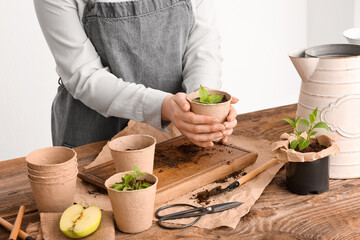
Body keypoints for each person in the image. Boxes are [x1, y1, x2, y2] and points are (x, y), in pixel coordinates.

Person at [34, 0, 238, 148]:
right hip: (95, 140)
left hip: (176, 137)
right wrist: (165, 107)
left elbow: (202, 44)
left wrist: (202, 106)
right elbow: (84, 75)